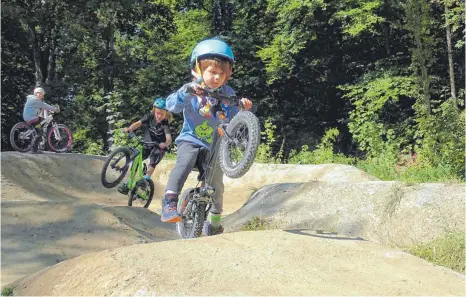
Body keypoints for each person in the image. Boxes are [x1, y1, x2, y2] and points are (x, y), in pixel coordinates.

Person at [160, 37, 253, 236]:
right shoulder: (191, 88)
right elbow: (171, 106)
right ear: (197, 70)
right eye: (212, 72)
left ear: (228, 73)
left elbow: (232, 119)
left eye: (221, 73)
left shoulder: (228, 92)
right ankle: (169, 202)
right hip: (191, 139)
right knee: (184, 163)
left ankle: (215, 223)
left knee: (217, 185)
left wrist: (242, 108)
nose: (217, 77)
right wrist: (186, 93)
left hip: (215, 146)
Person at [117, 97, 173, 194]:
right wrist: (129, 128)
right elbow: (138, 123)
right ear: (154, 111)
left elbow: (169, 138)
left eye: (162, 114)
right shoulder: (149, 116)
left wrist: (165, 144)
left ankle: (146, 179)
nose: (159, 116)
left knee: (154, 159)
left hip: (158, 146)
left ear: (166, 114)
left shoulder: (165, 124)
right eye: (157, 113)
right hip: (147, 144)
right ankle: (128, 184)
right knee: (136, 161)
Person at [22, 87, 59, 154]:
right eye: (42, 94)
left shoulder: (32, 99)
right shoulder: (35, 100)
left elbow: (42, 107)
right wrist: (54, 109)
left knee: (41, 123)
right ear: (37, 94)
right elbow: (44, 105)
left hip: (31, 117)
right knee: (39, 133)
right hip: (32, 118)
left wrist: (48, 109)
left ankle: (38, 147)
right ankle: (33, 149)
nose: (42, 96)